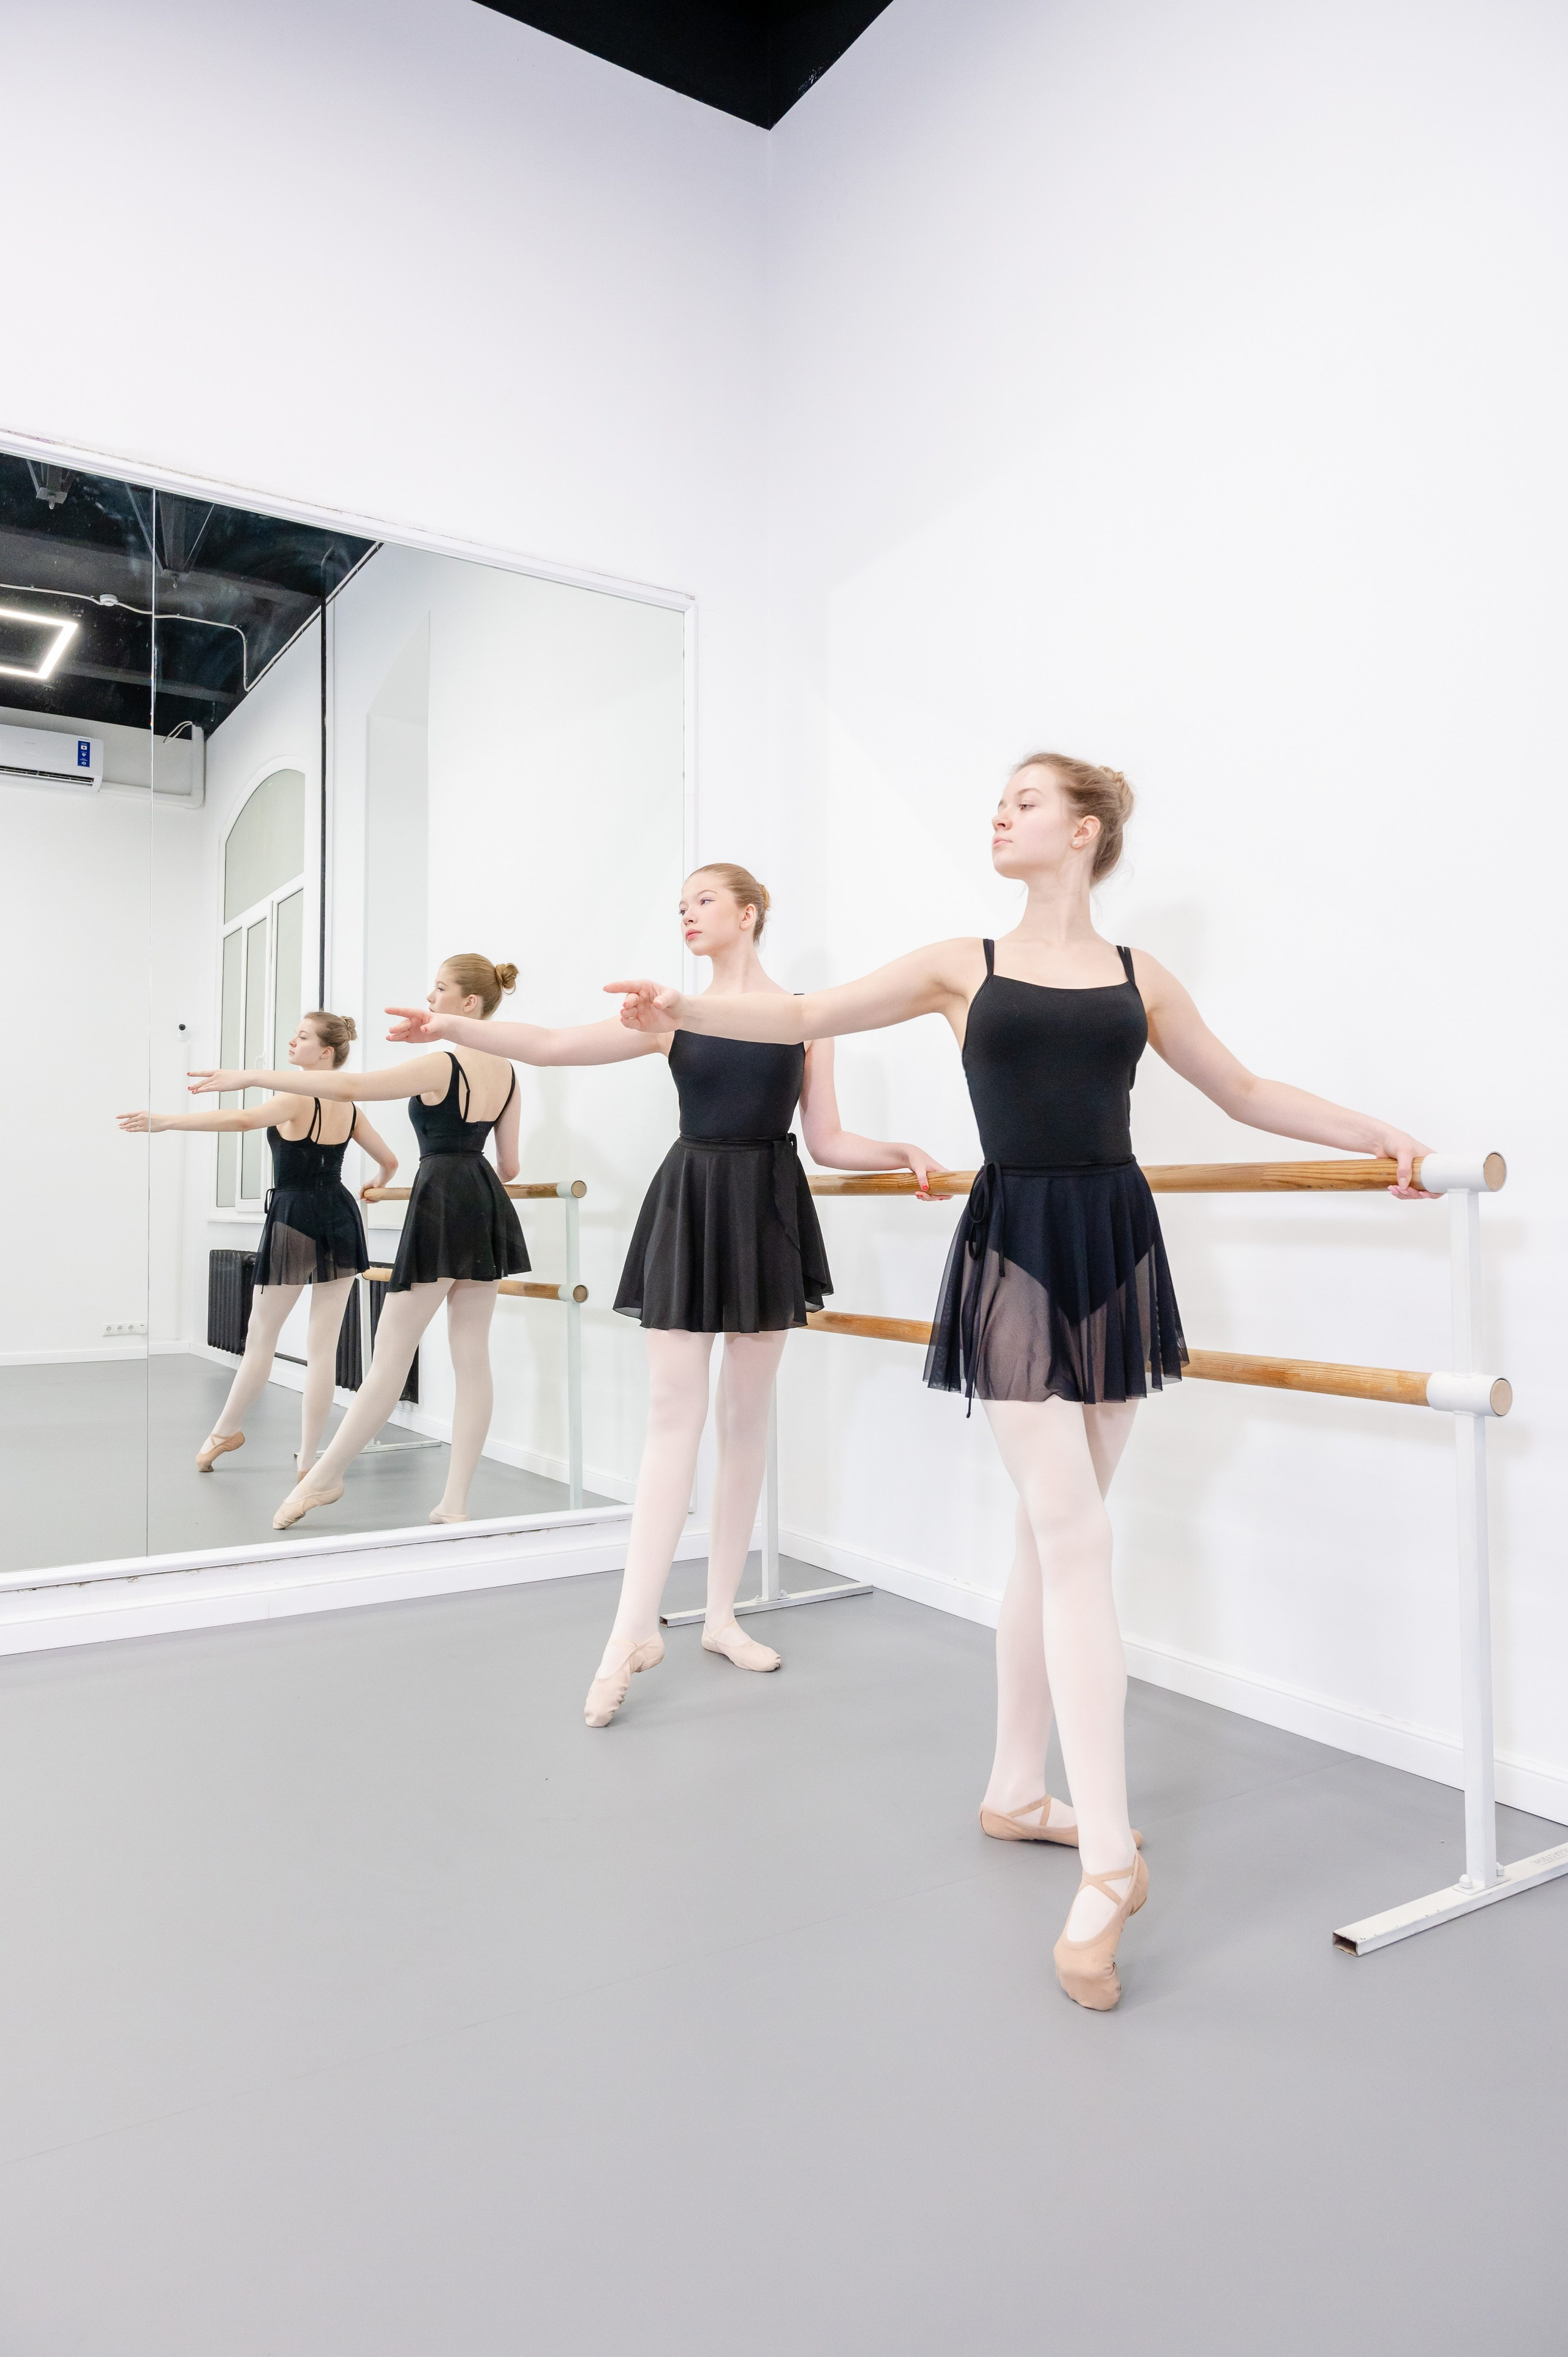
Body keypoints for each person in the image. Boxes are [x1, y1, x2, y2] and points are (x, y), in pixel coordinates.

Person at [607, 758, 1433, 2010]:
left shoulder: (1140, 976)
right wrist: (680, 1005)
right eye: (999, 800)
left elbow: (1244, 1089)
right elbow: (805, 1013)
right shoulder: (962, 963)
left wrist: (1376, 1131)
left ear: (1084, 830)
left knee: (1053, 1541)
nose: (999, 813)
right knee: (1075, 1530)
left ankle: (1014, 1787)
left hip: (1116, 1242)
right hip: (1016, 1244)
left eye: (1025, 800)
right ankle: (1107, 1864)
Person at [386, 864, 944, 1726]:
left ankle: (720, 1617)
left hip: (766, 1207)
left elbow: (827, 1139)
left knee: (746, 1419)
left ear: (749, 914)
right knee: (671, 1414)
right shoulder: (672, 1014)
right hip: (692, 1200)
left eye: (704, 901)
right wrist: (455, 1025)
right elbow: (554, 1044)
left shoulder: (805, 1018)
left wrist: (900, 1150)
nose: (688, 915)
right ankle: (630, 1630)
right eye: (681, 906)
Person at [190, 956, 527, 1529]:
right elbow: (511, 1166)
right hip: (485, 1202)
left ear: (468, 1002)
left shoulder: (443, 1063)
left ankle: (326, 1477)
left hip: (441, 1199)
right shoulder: (509, 1072)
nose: (431, 997)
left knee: (391, 1352)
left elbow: (350, 1085)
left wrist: (252, 1077)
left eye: (439, 989)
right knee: (473, 1357)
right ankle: (454, 1503)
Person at [119, 1011, 395, 1479]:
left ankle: (225, 1431)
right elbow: (389, 1160)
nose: (293, 1042)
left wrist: (166, 1122)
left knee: (262, 1335)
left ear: (325, 1052)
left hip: (296, 1218)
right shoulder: (349, 1106)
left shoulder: (296, 1096)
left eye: (302, 1037)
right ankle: (308, 1459)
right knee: (322, 1348)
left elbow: (243, 1119)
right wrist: (377, 1181)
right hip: (341, 1216)